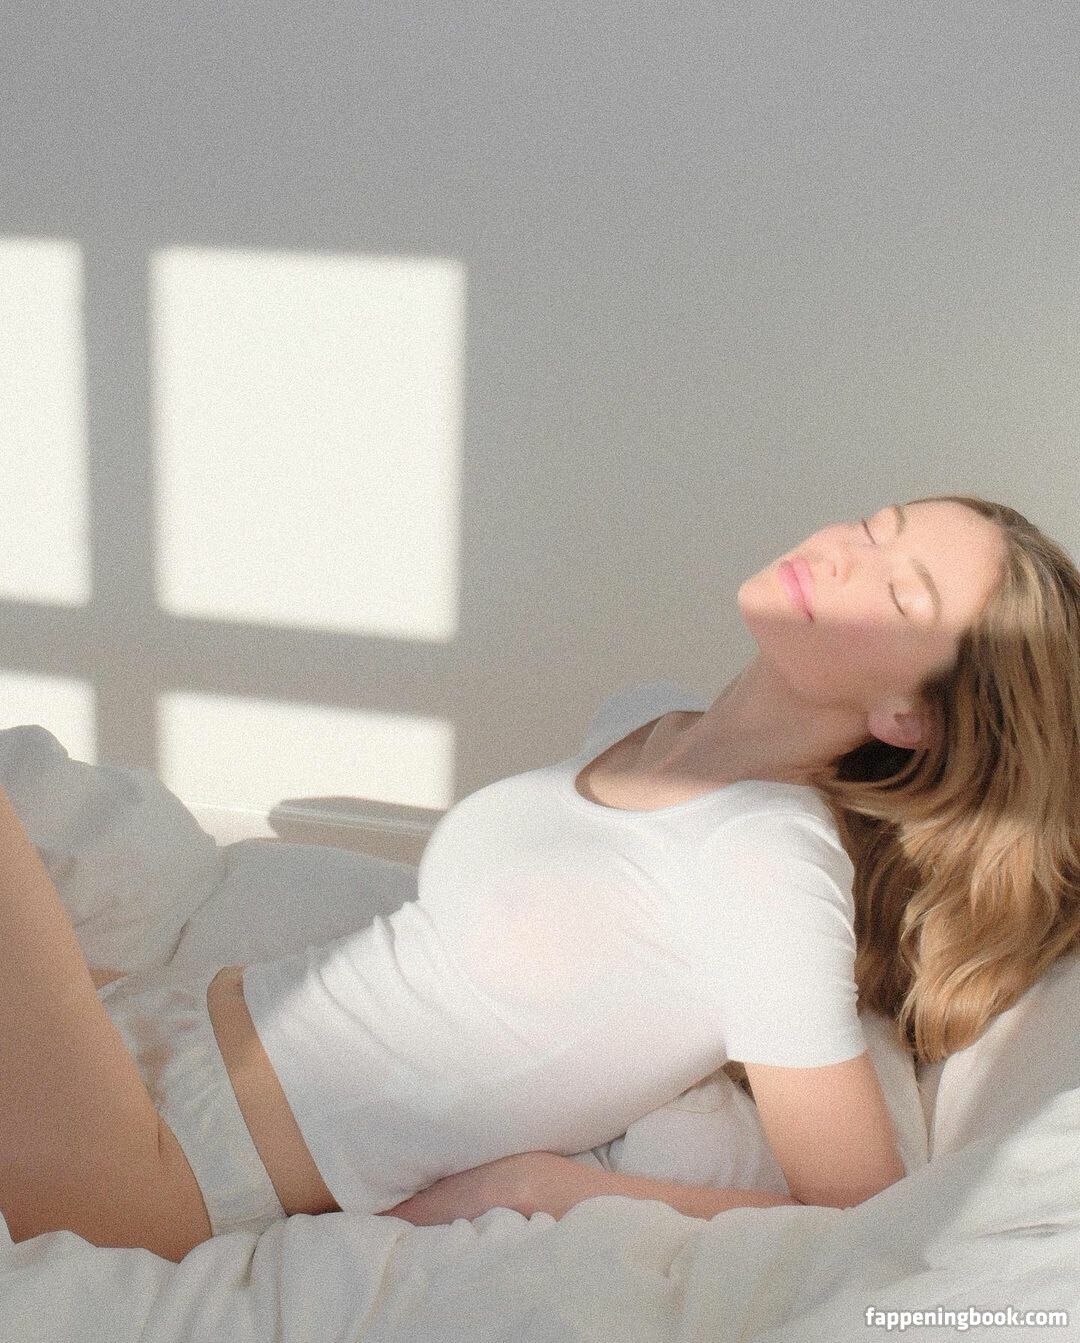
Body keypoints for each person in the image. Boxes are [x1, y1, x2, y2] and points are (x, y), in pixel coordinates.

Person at [3, 494, 1079, 1263]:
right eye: (878, 526)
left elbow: (863, 1217)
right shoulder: (647, 721)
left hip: (165, 1166)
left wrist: (546, 1187)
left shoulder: (767, 862)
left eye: (899, 591)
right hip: (143, 1026)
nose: (846, 551)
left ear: (908, 714)